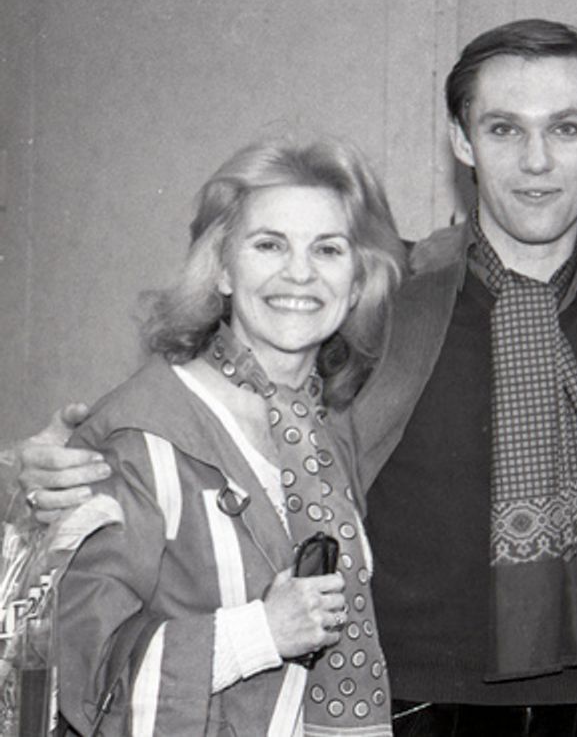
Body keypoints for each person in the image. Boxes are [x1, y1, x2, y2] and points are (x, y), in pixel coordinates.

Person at [18, 20, 577, 737]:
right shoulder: (384, 295)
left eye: (566, 129)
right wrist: (59, 464)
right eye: (504, 129)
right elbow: (232, 396)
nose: (536, 161)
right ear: (462, 139)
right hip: (399, 696)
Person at [55, 138, 403, 734]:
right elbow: (82, 671)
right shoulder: (139, 433)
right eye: (269, 245)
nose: (300, 272)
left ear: (357, 282)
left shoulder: (328, 434)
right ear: (219, 267)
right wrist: (258, 634)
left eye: (328, 249)